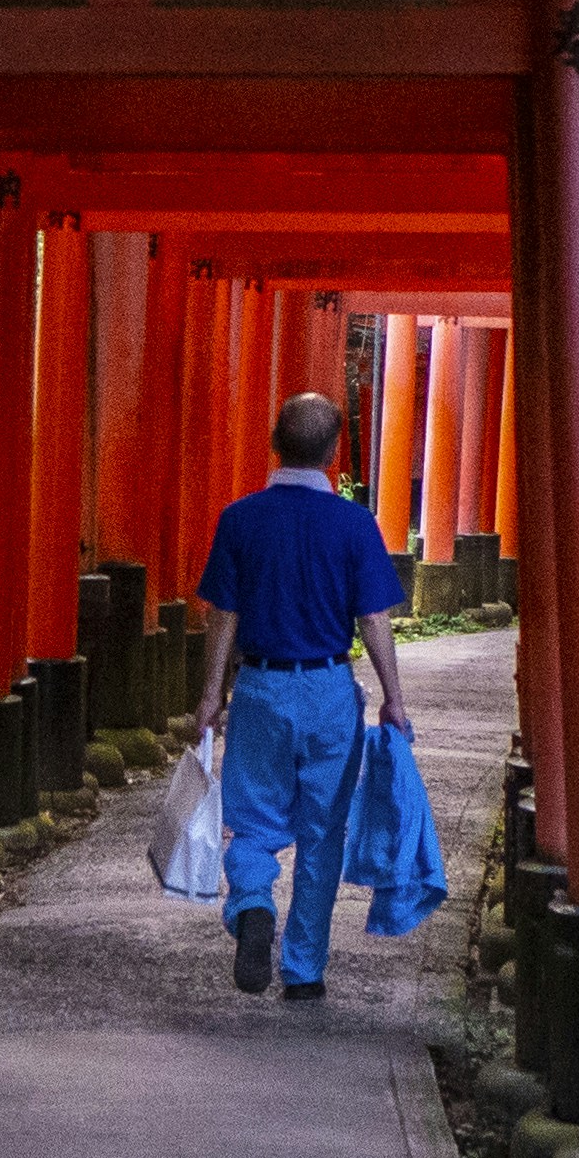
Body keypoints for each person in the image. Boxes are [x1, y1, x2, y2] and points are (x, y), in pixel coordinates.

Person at [191, 389, 413, 1001]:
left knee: (253, 821)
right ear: (335, 452)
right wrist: (394, 697)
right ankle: (305, 970)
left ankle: (255, 904)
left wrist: (211, 695)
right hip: (328, 689)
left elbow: (223, 616)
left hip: (260, 686)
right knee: (322, 833)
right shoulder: (354, 523)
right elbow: (373, 620)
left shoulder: (240, 519)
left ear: (274, 443)